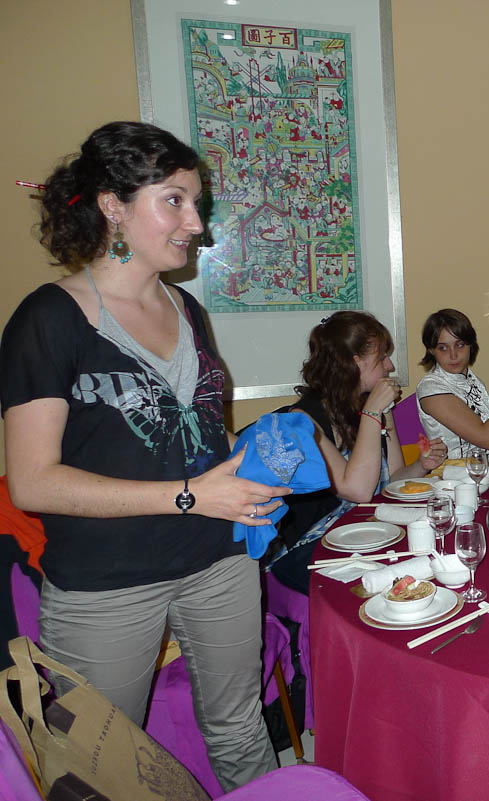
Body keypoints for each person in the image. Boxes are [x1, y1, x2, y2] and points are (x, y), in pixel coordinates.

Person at [0, 121, 282, 790]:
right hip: (107, 580)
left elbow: (201, 436)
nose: (196, 224)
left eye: (196, 202)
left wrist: (259, 466)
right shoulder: (49, 318)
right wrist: (189, 495)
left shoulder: (186, 309)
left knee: (241, 727)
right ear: (113, 206)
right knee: (104, 767)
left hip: (219, 559)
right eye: (174, 201)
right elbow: (33, 482)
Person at [266, 311, 447, 593]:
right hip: (314, 546)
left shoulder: (375, 406)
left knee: (434, 554)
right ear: (354, 362)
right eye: (382, 357)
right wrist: (372, 412)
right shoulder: (303, 420)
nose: (389, 366)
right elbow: (358, 491)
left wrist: (421, 466)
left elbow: (393, 481)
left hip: (370, 531)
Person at [416, 308, 489, 458]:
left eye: (460, 345)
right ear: (431, 350)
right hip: (451, 471)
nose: (453, 355)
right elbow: (487, 439)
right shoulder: (430, 388)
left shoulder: (472, 379)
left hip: (485, 469)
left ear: (470, 344)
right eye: (443, 348)